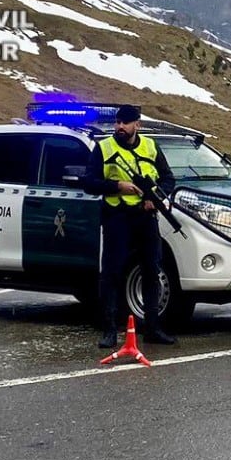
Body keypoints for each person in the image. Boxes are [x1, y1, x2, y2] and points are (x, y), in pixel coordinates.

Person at [84, 104, 178, 348]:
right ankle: (109, 331)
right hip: (117, 217)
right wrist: (117, 187)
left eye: (125, 123)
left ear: (138, 124)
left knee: (151, 270)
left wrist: (153, 198)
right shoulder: (104, 148)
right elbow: (89, 183)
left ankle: (153, 329)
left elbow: (168, 179)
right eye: (118, 122)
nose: (120, 127)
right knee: (112, 273)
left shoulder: (150, 146)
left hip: (145, 218)